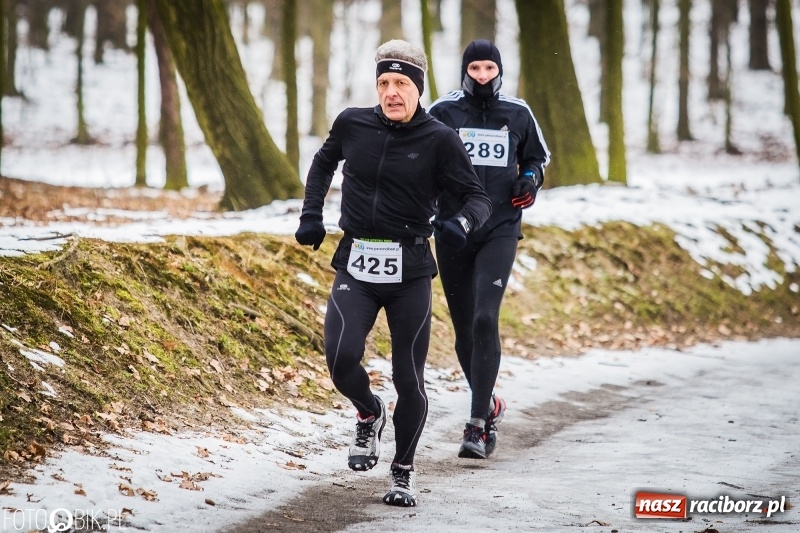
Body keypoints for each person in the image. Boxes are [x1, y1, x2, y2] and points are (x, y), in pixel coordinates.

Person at [294, 39, 492, 507]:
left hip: (410, 270)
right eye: (384, 82)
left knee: (409, 377)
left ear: (418, 89)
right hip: (357, 262)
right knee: (340, 358)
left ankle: (402, 471)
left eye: (402, 83)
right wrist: (311, 215)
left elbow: (477, 198)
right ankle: (368, 412)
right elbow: (324, 162)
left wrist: (460, 224)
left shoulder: (440, 138)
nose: (392, 92)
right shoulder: (353, 123)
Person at [428, 39, 550, 460]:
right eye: (475, 69)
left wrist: (529, 180)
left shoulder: (517, 112)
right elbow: (421, 160)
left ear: (499, 71)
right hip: (454, 230)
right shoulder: (443, 112)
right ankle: (490, 401)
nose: (483, 76)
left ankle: (477, 423)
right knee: (464, 330)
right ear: (465, 71)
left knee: (485, 317)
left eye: (489, 69)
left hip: (499, 227)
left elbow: (536, 159)